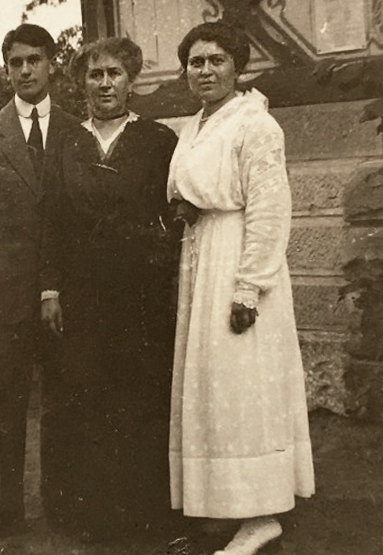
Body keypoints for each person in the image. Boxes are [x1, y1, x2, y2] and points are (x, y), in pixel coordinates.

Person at [166, 21, 315, 555]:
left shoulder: (256, 124)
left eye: (216, 60)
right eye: (196, 62)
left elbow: (270, 211)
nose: (205, 70)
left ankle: (262, 515)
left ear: (237, 67)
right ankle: (226, 507)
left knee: (243, 387)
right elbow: (197, 186)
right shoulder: (198, 124)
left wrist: (249, 288)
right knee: (213, 390)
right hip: (202, 255)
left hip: (236, 262)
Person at [39, 37, 181, 540]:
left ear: (132, 80)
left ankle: (144, 514)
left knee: (141, 397)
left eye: (114, 73)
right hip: (82, 295)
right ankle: (94, 519)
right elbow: (51, 222)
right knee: (87, 397)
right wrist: (50, 290)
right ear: (82, 83)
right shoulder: (67, 143)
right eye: (95, 74)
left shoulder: (159, 140)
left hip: (140, 294)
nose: (104, 83)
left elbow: (174, 219)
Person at [0, 23, 78, 541]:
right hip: (6, 298)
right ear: (5, 67)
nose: (26, 70)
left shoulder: (78, 129)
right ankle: (6, 512)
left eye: (35, 59)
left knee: (66, 403)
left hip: (66, 296)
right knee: (8, 408)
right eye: (16, 62)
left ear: (51, 63)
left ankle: (63, 506)